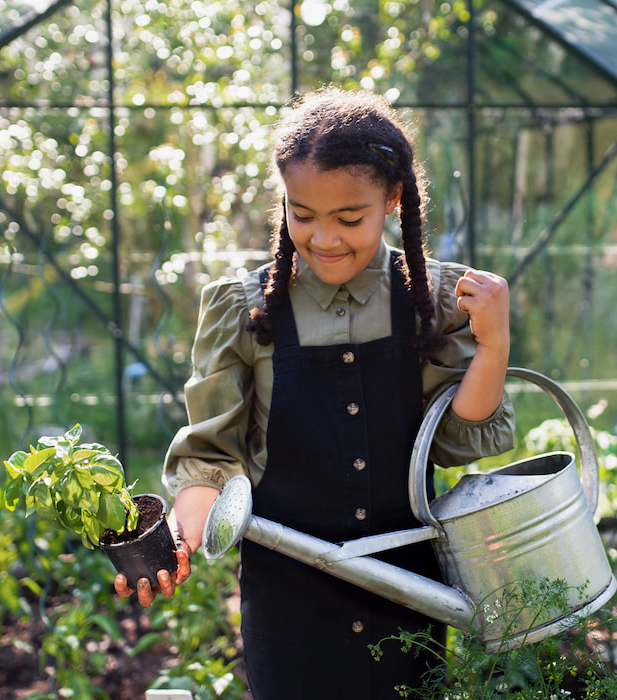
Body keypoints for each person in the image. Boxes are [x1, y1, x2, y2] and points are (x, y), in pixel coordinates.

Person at [115, 86, 515, 699]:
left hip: (406, 590)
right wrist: (181, 538)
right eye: (302, 215)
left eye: (349, 219)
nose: (324, 238)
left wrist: (493, 347)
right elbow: (211, 457)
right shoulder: (245, 311)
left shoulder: (431, 302)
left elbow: (457, 439)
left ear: (392, 199)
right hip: (289, 601)